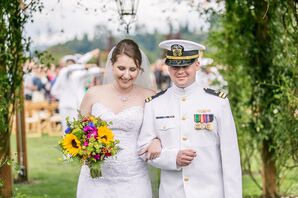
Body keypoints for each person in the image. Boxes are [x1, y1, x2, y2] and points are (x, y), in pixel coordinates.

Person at [138, 39, 242, 198]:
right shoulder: (155, 104)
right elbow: (143, 150)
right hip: (172, 193)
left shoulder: (218, 103)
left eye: (185, 65)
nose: (180, 71)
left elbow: (231, 160)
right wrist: (173, 158)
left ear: (197, 65)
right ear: (168, 67)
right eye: (174, 66)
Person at [77, 39, 161, 198]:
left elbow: (160, 129)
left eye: (133, 69)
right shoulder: (93, 94)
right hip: (96, 177)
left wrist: (157, 140)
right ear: (111, 65)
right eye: (121, 68)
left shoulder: (149, 96)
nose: (127, 75)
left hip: (133, 176)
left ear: (140, 69)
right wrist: (84, 150)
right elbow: (78, 132)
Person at [51, 49, 100, 133]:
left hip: (75, 106)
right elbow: (54, 91)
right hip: (65, 106)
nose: (70, 65)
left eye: (72, 62)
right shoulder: (63, 72)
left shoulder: (77, 75)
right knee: (65, 131)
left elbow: (93, 71)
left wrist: (105, 70)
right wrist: (63, 97)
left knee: (76, 130)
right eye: (68, 62)